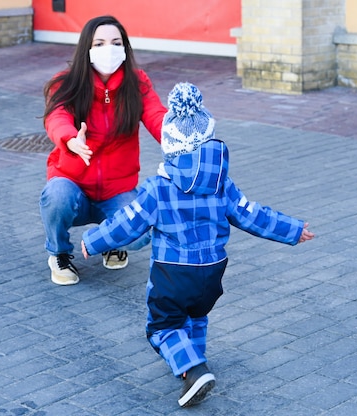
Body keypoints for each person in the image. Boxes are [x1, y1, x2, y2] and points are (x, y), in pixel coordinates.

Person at [81, 82, 315, 407]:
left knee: (162, 327)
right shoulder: (222, 184)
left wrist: (92, 240)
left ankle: (192, 369)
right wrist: (293, 230)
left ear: (169, 145)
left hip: (173, 272)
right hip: (212, 273)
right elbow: (252, 215)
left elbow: (127, 222)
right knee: (196, 316)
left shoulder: (158, 189)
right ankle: (195, 365)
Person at [40, 15, 168, 285]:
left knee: (142, 230)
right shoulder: (66, 82)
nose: (107, 49)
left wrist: (180, 138)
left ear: (125, 48)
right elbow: (56, 117)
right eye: (99, 43)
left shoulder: (137, 83)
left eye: (115, 42)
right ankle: (59, 252)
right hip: (74, 184)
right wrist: (71, 139)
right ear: (87, 48)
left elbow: (156, 116)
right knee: (56, 195)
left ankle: (113, 241)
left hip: (116, 190)